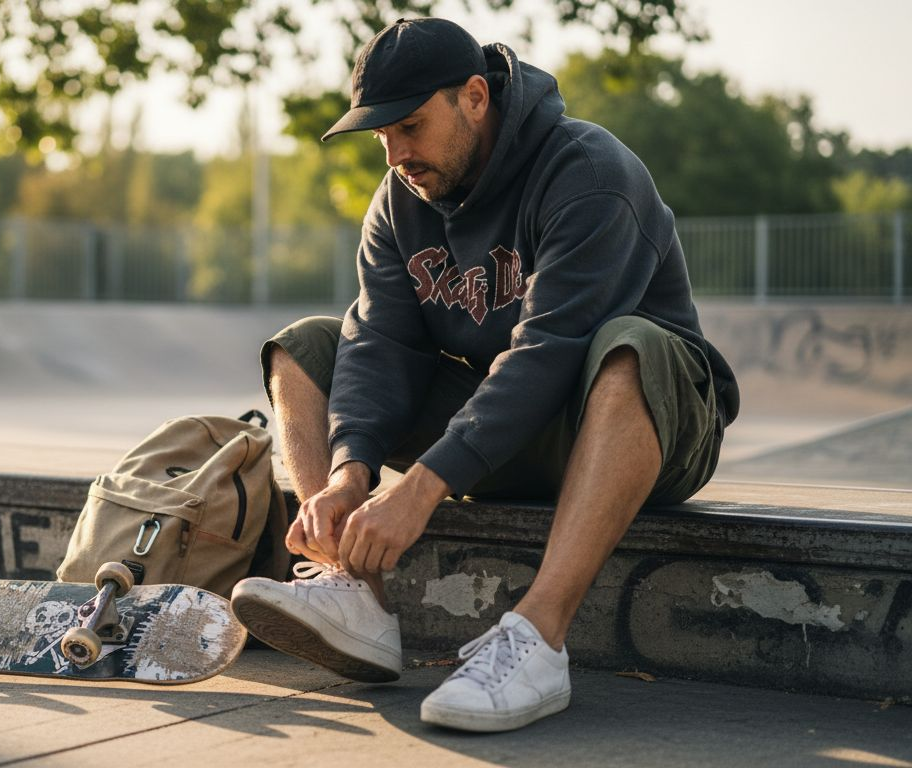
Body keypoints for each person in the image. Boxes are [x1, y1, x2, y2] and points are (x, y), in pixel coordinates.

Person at [230, 17, 740, 733]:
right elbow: (379, 343)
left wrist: (424, 486)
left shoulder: (590, 174)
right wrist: (350, 473)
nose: (396, 154)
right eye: (381, 136)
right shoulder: (399, 200)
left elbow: (551, 349)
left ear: (475, 96)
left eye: (410, 126)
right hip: (502, 432)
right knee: (308, 346)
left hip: (644, 425)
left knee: (630, 345)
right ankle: (350, 587)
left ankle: (536, 640)